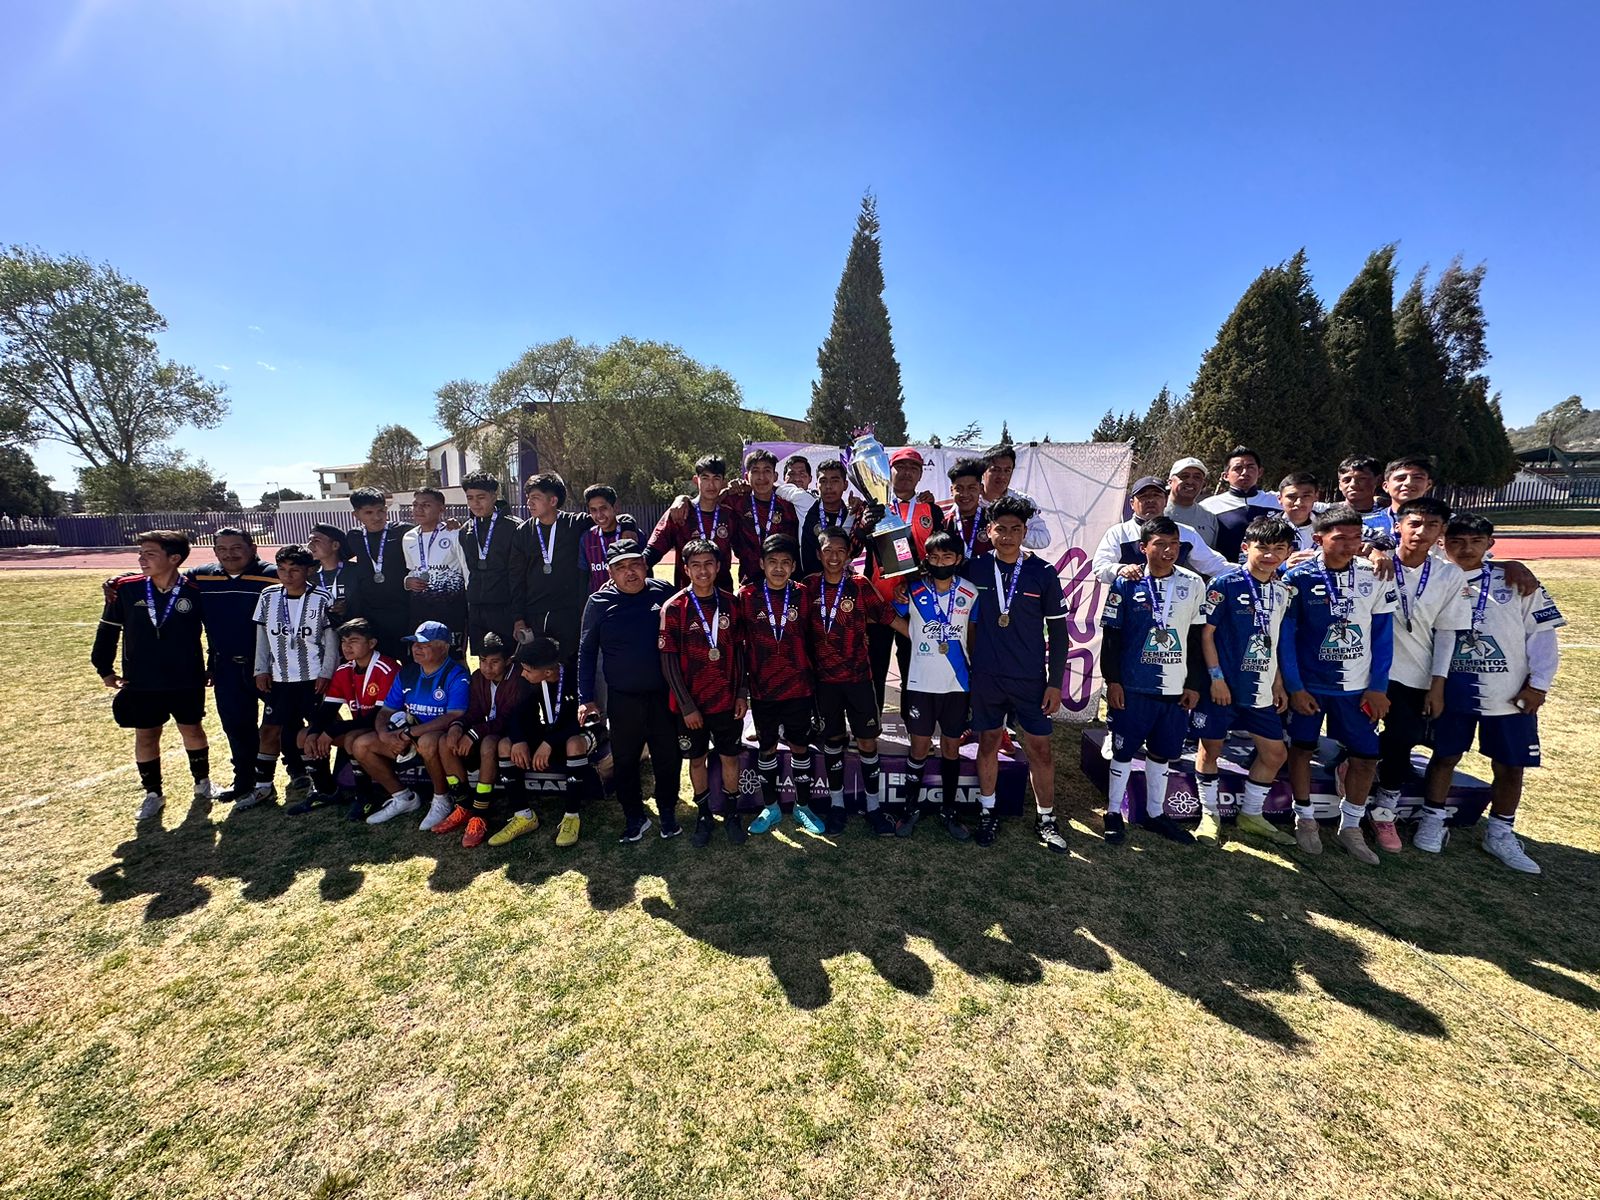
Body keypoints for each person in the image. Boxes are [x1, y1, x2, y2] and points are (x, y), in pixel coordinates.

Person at [1421, 513, 1564, 872]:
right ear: (1442, 544)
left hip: (1508, 692)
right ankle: (1432, 819)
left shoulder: (1518, 582)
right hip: (1452, 688)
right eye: (1457, 542)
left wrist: (1539, 684)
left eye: (1476, 542)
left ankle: (1500, 832)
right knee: (1444, 756)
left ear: (1490, 544)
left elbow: (1542, 635)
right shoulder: (1437, 578)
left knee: (1511, 764)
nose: (1466, 549)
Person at [1279, 504, 1398, 863]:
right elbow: (1286, 637)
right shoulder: (1297, 578)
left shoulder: (1374, 574)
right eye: (1340, 538)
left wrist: (1378, 687)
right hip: (1311, 686)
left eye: (1356, 538)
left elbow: (1383, 636)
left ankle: (1351, 826)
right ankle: (1305, 818)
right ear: (1318, 539)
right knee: (1301, 749)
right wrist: (1295, 687)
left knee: (1366, 756)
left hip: (1357, 687)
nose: (1350, 545)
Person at [962, 496, 1070, 853]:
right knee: (989, 743)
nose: (1007, 536)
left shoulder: (1043, 572)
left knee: (1040, 749)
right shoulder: (974, 569)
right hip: (987, 677)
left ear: (1025, 532)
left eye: (1015, 529)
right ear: (989, 531)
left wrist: (1055, 683)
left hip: (1030, 679)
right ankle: (987, 811)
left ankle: (1046, 818)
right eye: (1001, 529)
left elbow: (1059, 634)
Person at [1370, 497, 1472, 851]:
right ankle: (1351, 788)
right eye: (1414, 523)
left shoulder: (1448, 575)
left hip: (1414, 673)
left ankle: (1384, 808)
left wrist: (1437, 684)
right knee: (1355, 737)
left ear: (1441, 531)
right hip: (1366, 670)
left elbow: (1446, 632)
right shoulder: (1372, 564)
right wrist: (1373, 551)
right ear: (1398, 526)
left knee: (1404, 737)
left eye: (1431, 525)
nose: (1421, 531)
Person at [1098, 516, 1207, 845]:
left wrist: (1194, 684)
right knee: (1122, 751)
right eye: (1160, 544)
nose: (1168, 550)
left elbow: (1197, 638)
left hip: (1175, 688)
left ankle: (1156, 814)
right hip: (1133, 686)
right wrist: (1113, 681)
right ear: (1143, 547)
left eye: (1173, 544)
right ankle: (1113, 812)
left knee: (1163, 753)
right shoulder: (1127, 582)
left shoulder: (1193, 583)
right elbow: (1111, 636)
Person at [1190, 516, 1298, 848]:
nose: (1270, 555)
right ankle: (1210, 814)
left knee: (1275, 754)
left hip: (1260, 688)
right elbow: (1206, 635)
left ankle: (1251, 814)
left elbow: (1274, 640)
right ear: (1245, 547)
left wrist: (1278, 682)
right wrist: (1216, 679)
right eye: (1262, 547)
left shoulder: (1283, 591)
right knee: (1210, 749)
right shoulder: (1224, 584)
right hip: (1221, 687)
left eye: (1278, 549)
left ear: (1288, 552)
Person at [92, 530, 212, 822]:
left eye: (150, 554)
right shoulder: (125, 588)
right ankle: (153, 794)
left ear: (174, 558)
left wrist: (213, 665)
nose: (142, 559)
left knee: (192, 730)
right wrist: (104, 669)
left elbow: (214, 632)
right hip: (142, 679)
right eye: (141, 554)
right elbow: (107, 630)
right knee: (146, 735)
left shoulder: (195, 590)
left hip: (186, 677)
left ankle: (203, 783)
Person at [578, 540, 683, 841]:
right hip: (623, 698)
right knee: (625, 760)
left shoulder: (663, 592)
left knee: (668, 757)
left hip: (663, 696)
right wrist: (586, 698)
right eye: (621, 567)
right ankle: (634, 815)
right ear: (610, 573)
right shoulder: (598, 603)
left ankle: (667, 810)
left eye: (635, 564)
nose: (630, 572)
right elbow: (587, 652)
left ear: (645, 565)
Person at [659, 539, 749, 847]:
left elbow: (739, 650)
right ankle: (704, 814)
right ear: (685, 569)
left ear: (719, 566)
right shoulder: (674, 608)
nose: (703, 571)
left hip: (726, 701)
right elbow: (668, 661)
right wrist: (687, 706)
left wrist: (741, 692)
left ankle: (732, 814)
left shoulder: (731, 604)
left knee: (729, 758)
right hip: (692, 707)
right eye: (695, 565)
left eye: (708, 564)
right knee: (697, 760)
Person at [238, 545, 340, 811]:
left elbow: (331, 640)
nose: (287, 575)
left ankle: (321, 782)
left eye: (294, 570)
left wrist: (327, 672)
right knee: (269, 729)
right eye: (282, 569)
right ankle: (263, 786)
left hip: (313, 677)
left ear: (309, 570)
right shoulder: (268, 596)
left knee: (317, 729)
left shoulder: (322, 598)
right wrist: (260, 668)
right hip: (280, 678)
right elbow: (262, 636)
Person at [737, 534, 825, 836]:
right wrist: (743, 689)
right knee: (767, 747)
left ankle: (803, 806)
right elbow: (737, 645)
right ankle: (770, 806)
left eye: (785, 562)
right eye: (772, 562)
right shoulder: (747, 597)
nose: (778, 568)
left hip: (798, 687)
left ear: (793, 566)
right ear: (761, 564)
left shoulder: (803, 594)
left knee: (800, 746)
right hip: (763, 689)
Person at [896, 531, 979, 841]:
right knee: (919, 747)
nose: (940, 562)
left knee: (950, 748)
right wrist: (915, 634)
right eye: (934, 557)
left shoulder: (970, 592)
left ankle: (949, 810)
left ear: (958, 559)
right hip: (920, 682)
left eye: (947, 557)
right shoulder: (913, 590)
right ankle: (909, 809)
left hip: (957, 683)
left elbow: (972, 635)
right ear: (926, 559)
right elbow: (891, 617)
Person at [184, 527, 276, 802]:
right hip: (226, 667)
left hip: (269, 666)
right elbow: (165, 577)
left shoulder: (272, 575)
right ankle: (244, 780)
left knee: (282, 722)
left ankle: (297, 772)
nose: (229, 554)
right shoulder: (202, 576)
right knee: (236, 726)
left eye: (236, 547)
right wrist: (121, 580)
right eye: (222, 549)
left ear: (253, 548)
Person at [351, 621, 471, 827]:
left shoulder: (457, 674)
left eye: (425, 644)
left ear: (444, 647)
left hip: (439, 738)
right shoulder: (407, 672)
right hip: (408, 737)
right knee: (361, 745)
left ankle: (442, 799)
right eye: (415, 643)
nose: (417, 648)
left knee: (427, 741)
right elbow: (386, 711)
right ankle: (403, 798)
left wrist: (410, 732)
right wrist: (384, 734)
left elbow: (454, 715)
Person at [489, 635, 597, 849]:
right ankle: (523, 816)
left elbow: (580, 721)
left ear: (547, 672)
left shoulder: (574, 677)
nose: (522, 674)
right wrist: (519, 740)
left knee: (574, 744)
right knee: (505, 745)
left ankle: (572, 816)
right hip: (549, 734)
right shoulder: (527, 680)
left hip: (579, 733)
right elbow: (516, 713)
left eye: (527, 670)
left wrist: (549, 743)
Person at [860, 447, 944, 712]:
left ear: (920, 475)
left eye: (913, 468)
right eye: (901, 467)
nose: (907, 473)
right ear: (889, 472)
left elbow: (939, 555)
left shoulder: (931, 510)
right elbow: (858, 546)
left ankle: (914, 722)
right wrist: (863, 526)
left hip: (917, 603)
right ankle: (871, 724)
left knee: (914, 668)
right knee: (874, 666)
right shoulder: (875, 507)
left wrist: (914, 583)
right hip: (879, 601)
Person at [295, 618, 402, 819]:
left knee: (352, 738)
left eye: (353, 641)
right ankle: (326, 791)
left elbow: (377, 718)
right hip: (361, 727)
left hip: (387, 730)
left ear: (372, 643)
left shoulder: (387, 668)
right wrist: (315, 731)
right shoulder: (344, 670)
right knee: (304, 736)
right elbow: (328, 710)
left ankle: (366, 797)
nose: (346, 647)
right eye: (343, 641)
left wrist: (333, 731)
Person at [432, 634, 528, 846]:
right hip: (485, 731)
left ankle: (480, 814)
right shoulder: (477, 677)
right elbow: (474, 711)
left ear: (508, 660)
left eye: (494, 662)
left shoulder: (518, 677)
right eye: (483, 661)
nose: (487, 668)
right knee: (446, 741)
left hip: (512, 735)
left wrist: (474, 734)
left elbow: (508, 719)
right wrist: (458, 727)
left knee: (488, 743)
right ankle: (463, 805)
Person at [512, 472, 596, 667]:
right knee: (539, 670)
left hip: (570, 614)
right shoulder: (523, 532)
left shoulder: (576, 523)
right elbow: (516, 578)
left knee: (570, 668)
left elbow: (608, 520)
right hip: (536, 615)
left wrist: (628, 524)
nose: (529, 503)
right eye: (528, 498)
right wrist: (518, 618)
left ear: (553, 501)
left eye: (536, 498)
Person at [1092, 476, 1229, 584]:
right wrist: (1121, 569)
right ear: (1132, 503)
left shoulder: (1186, 533)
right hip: (1129, 603)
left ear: (1165, 500)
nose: (1150, 500)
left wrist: (1240, 572)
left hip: (1174, 602)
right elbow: (1100, 567)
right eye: (1143, 496)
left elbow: (1213, 564)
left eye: (1156, 495)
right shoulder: (1118, 533)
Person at [646, 454, 738, 590]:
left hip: (722, 594)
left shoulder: (729, 515)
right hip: (687, 595)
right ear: (696, 480)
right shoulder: (680, 512)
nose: (711, 484)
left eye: (716, 478)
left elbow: (747, 549)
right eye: (705, 478)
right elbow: (653, 551)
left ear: (723, 482)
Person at [345, 486, 415, 658]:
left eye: (381, 511)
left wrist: (449, 526)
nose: (377, 517)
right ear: (356, 515)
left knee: (409, 661)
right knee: (378, 661)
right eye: (369, 512)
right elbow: (333, 555)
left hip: (403, 611)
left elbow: (429, 536)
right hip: (371, 614)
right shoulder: (354, 536)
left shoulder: (404, 531)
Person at [402, 487, 472, 655]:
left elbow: (466, 569)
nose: (419, 509)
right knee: (423, 654)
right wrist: (407, 581)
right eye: (415, 505)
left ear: (441, 509)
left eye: (426, 505)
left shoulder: (453, 533)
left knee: (453, 655)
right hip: (420, 608)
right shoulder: (408, 537)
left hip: (451, 607)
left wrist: (471, 602)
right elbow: (412, 569)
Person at [459, 472, 521, 655]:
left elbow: (519, 575)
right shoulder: (465, 530)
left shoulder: (514, 527)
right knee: (484, 661)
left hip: (505, 608)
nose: (475, 503)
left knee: (508, 659)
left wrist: (519, 616)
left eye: (481, 497)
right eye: (470, 498)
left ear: (494, 496)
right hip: (477, 609)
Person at [719, 448, 801, 585]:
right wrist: (725, 491)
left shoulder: (788, 506)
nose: (761, 477)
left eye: (767, 471)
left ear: (775, 476)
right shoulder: (736, 501)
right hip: (749, 581)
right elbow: (708, 502)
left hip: (782, 579)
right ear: (746, 477)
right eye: (755, 471)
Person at [1200, 446, 1283, 562]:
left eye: (1250, 467)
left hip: (1274, 569)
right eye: (1237, 468)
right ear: (1225, 476)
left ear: (1260, 472)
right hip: (1226, 570)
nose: (1245, 472)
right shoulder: (1209, 506)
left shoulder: (1279, 501)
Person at [979, 444, 1051, 549]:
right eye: (996, 470)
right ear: (983, 472)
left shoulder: (1022, 502)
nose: (1002, 476)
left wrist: (1017, 531)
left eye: (1007, 470)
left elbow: (1043, 539)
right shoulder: (969, 499)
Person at [796, 458, 858, 578]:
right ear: (816, 485)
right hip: (807, 584)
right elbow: (779, 490)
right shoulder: (805, 504)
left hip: (840, 584)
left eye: (835, 481)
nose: (828, 486)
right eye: (823, 481)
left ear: (845, 485)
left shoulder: (852, 515)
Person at [579, 484, 641, 599]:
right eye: (593, 510)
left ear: (615, 507)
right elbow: (583, 575)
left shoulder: (632, 535)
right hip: (601, 602)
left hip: (632, 601)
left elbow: (646, 569)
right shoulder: (586, 539)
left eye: (603, 508)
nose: (599, 515)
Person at [940, 458, 994, 563]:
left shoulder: (992, 521)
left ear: (981, 489)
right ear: (951, 490)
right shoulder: (945, 523)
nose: (965, 494)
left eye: (971, 488)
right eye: (959, 489)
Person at [1165, 456, 1221, 549]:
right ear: (1170, 482)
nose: (1190, 481)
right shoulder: (1157, 512)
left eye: (1197, 477)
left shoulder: (1209, 518)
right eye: (1184, 476)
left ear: (1203, 484)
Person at [306, 523, 354, 626]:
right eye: (309, 540)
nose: (309, 545)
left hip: (352, 630)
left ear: (335, 545)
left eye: (316, 541)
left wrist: (349, 608)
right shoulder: (310, 577)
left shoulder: (356, 571)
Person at [1276, 472, 1321, 562]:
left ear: (1316, 496)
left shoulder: (1329, 527)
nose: (1299, 503)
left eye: (1306, 496)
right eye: (1291, 497)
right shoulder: (1265, 527)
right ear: (1280, 499)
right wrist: (1283, 567)